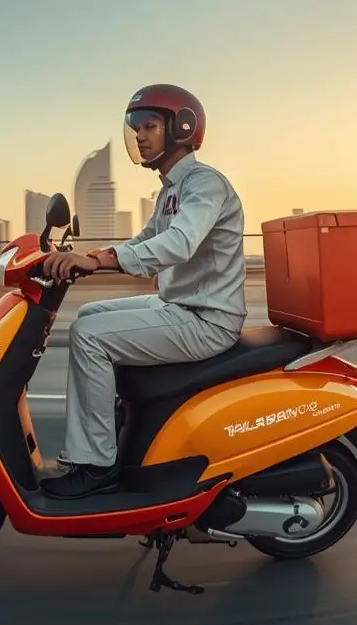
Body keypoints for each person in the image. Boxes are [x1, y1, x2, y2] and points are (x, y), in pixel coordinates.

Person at [39, 84, 248, 499]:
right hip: (180, 305)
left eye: (150, 126)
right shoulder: (171, 190)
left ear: (182, 128)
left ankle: (96, 465)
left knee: (89, 337)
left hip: (206, 320)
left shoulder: (204, 184)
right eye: (136, 129)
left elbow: (178, 243)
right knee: (89, 316)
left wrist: (101, 261)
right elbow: (145, 240)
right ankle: (115, 428)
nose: (139, 136)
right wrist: (90, 257)